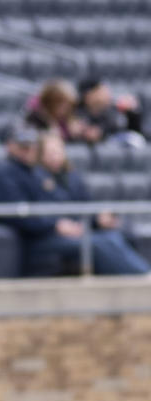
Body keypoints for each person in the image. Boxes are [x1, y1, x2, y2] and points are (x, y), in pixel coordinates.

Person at [36, 131, 149, 275]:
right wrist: (57, 225)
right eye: (50, 152)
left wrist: (98, 218)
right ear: (40, 154)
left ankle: (137, 275)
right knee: (99, 243)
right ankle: (142, 276)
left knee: (119, 234)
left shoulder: (72, 177)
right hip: (51, 235)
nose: (55, 156)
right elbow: (38, 213)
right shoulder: (35, 177)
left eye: (58, 151)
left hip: (79, 228)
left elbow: (86, 205)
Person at [75, 76, 145, 146]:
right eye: (100, 91)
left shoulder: (114, 109)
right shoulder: (77, 112)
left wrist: (131, 113)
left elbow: (135, 132)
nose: (106, 93)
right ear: (88, 95)